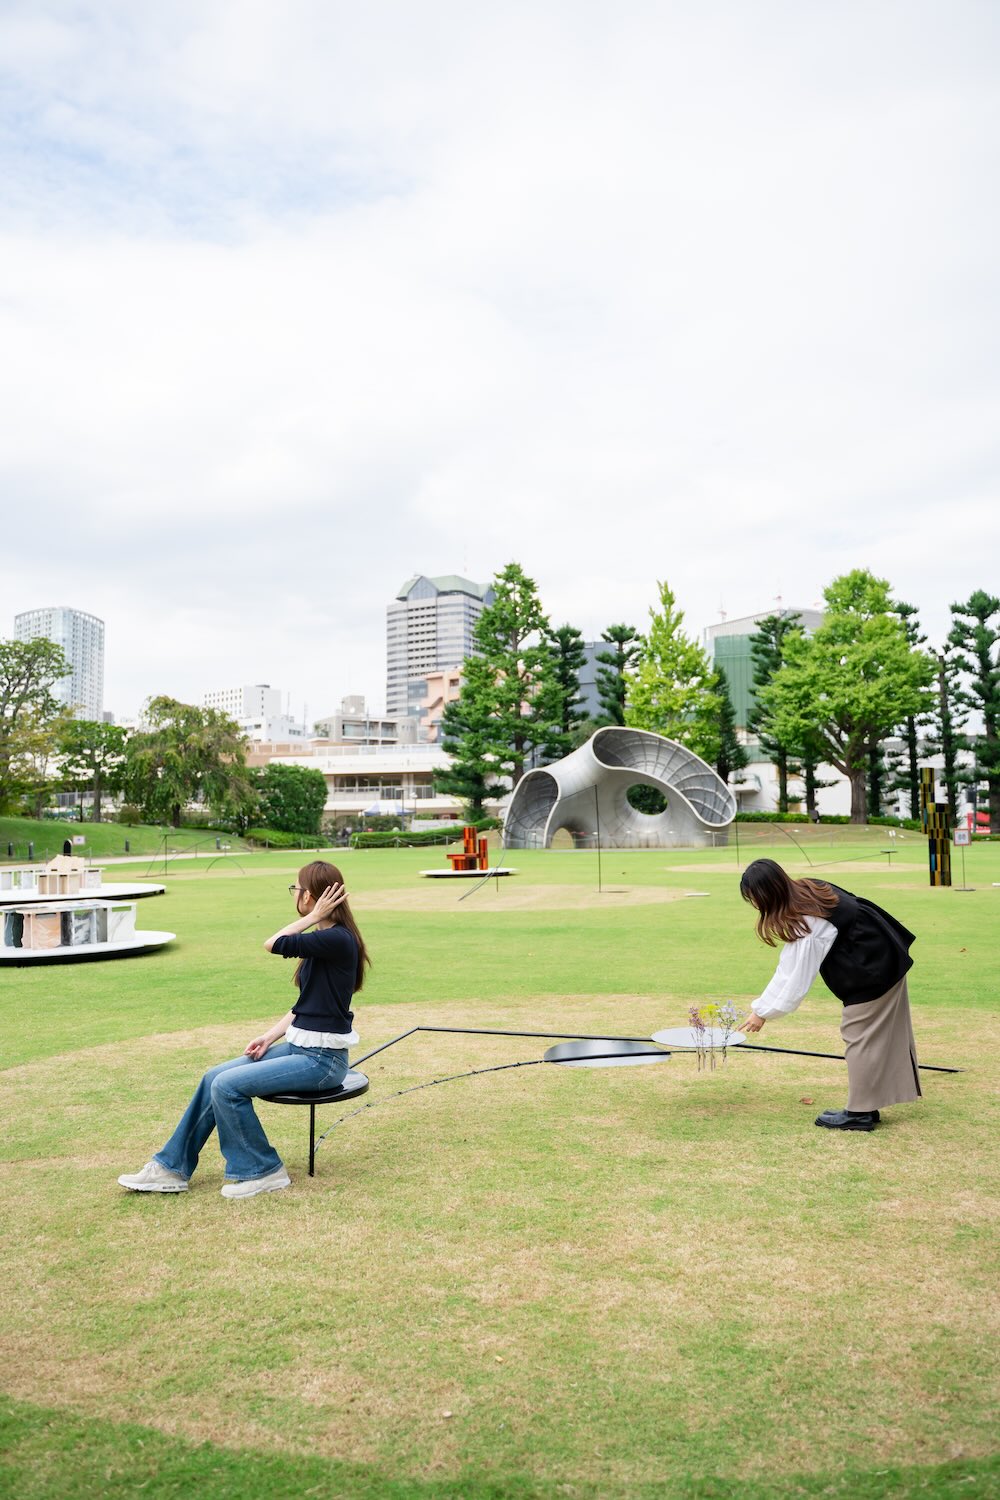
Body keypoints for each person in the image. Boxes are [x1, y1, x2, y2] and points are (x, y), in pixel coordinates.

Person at [118, 861, 369, 1198]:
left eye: (296, 888)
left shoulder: (337, 940)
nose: (294, 894)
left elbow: (273, 943)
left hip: (323, 1062)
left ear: (310, 896)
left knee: (227, 1086)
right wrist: (269, 1036)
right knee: (213, 1077)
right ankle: (170, 1168)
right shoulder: (325, 940)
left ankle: (263, 1170)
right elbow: (306, 1006)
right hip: (302, 1048)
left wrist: (311, 918)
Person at [737, 858, 920, 1132]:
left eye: (754, 899)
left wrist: (761, 1012)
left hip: (874, 967)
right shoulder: (809, 890)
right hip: (883, 955)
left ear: (767, 894)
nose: (755, 905)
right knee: (875, 1036)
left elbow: (794, 975)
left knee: (858, 1033)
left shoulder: (809, 919)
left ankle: (859, 1113)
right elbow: (791, 963)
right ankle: (868, 1107)